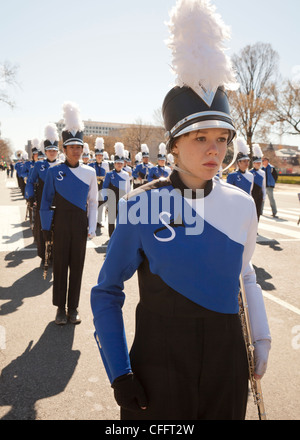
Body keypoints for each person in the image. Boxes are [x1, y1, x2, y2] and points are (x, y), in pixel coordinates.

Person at [91, 0, 271, 421]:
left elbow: (244, 273)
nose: (215, 149)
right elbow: (106, 291)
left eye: (222, 139)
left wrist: (260, 338)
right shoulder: (138, 205)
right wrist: (120, 373)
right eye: (199, 138)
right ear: (173, 145)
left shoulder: (242, 204)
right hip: (158, 369)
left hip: (226, 367)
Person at [40, 102, 98, 325]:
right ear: (64, 150)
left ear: (83, 149)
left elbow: (93, 202)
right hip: (61, 222)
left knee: (78, 266)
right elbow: (45, 202)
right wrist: (46, 229)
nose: (75, 151)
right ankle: (59, 309)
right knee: (61, 266)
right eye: (71, 147)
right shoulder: (55, 172)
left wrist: (92, 227)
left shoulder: (90, 172)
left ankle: (73, 308)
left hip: (80, 223)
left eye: (79, 147)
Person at [25, 124, 62, 264]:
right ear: (45, 151)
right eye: (49, 150)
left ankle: (57, 255)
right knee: (43, 229)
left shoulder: (63, 165)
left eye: (54, 150)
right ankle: (44, 256)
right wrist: (30, 196)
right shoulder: (38, 166)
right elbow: (30, 182)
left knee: (59, 230)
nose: (52, 152)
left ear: (57, 151)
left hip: (60, 203)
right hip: (42, 202)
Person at [102, 142, 131, 237]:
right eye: (117, 163)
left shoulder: (126, 174)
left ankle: (119, 237)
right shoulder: (110, 174)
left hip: (122, 200)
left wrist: (128, 200)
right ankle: (111, 237)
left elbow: (128, 189)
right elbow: (105, 187)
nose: (119, 165)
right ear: (114, 164)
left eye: (121, 163)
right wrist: (105, 199)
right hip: (111, 200)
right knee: (111, 221)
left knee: (121, 220)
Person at [89, 137, 109, 228]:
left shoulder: (105, 165)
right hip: (93, 187)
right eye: (98, 156)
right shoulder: (91, 165)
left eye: (101, 156)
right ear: (95, 156)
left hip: (102, 187)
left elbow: (107, 176)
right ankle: (90, 221)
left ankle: (98, 222)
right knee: (92, 204)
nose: (99, 157)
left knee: (101, 205)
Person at [250, 144, 266, 222]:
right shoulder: (250, 172)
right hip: (252, 194)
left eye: (259, 163)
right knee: (251, 212)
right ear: (254, 163)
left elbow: (264, 185)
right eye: (257, 163)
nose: (258, 164)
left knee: (258, 212)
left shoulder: (263, 173)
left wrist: (264, 196)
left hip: (259, 194)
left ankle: (256, 227)